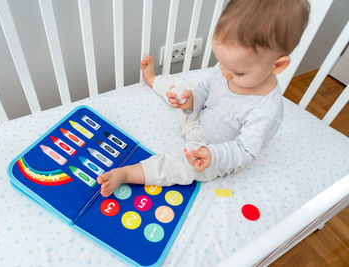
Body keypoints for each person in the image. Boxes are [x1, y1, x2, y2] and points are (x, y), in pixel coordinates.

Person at [98, 0, 310, 197]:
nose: (225, 74)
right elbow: (206, 87)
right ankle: (153, 80)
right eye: (221, 63)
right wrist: (192, 100)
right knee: (180, 90)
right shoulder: (229, 67)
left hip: (218, 153)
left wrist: (212, 154)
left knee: (178, 167)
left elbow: (244, 150)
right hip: (200, 119)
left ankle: (126, 174)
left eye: (238, 73)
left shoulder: (266, 109)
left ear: (278, 65)